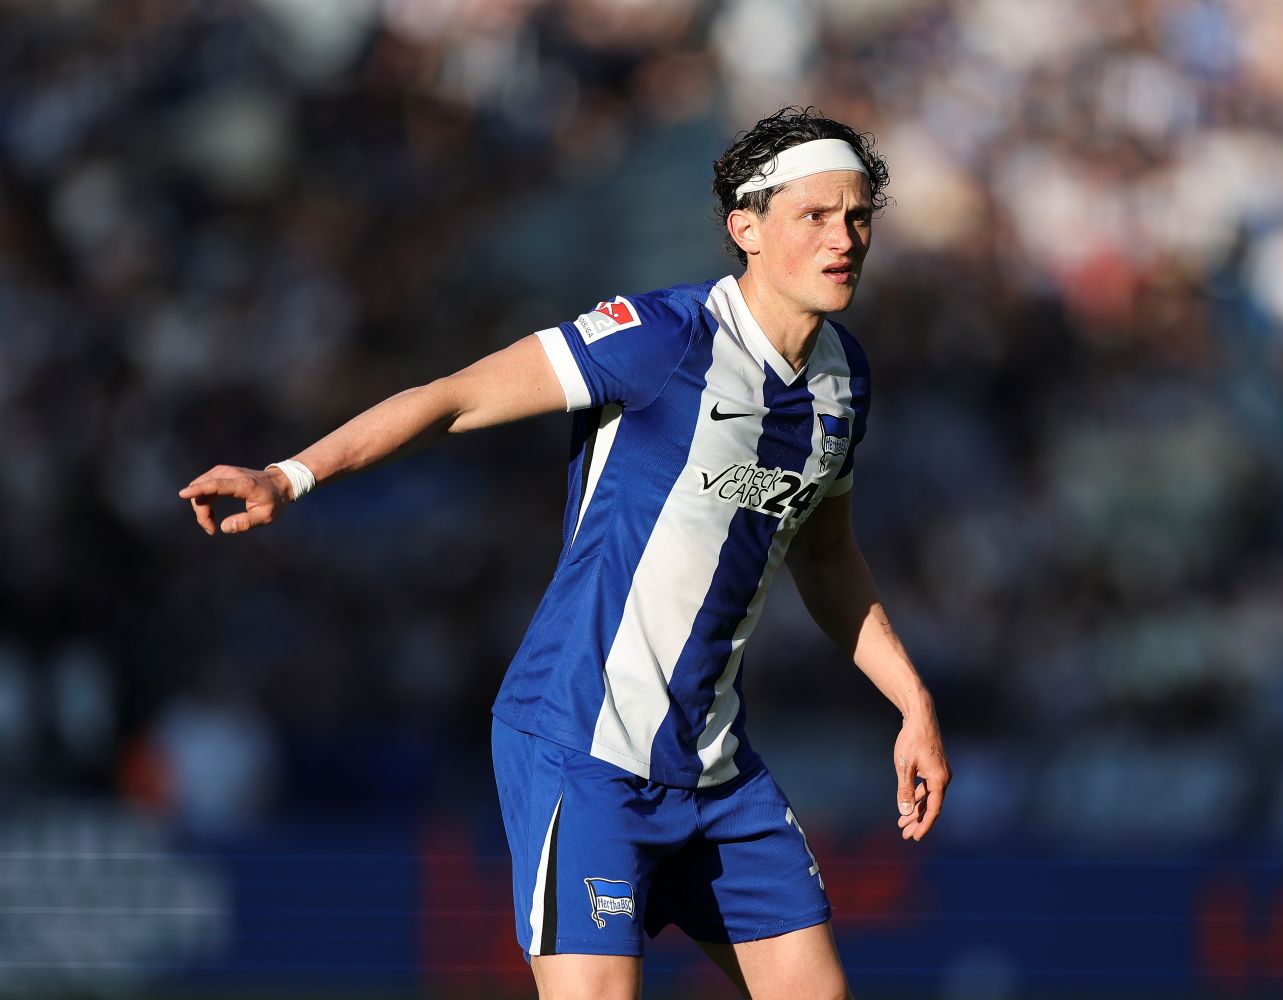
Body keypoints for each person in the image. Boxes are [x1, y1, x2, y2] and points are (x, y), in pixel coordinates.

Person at [179, 106, 950, 1000]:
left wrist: (912, 700)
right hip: (583, 747)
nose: (844, 238)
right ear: (746, 226)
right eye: (815, 216)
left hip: (715, 769)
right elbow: (457, 398)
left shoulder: (842, 381)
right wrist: (291, 475)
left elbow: (827, 559)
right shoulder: (664, 338)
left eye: (857, 216)